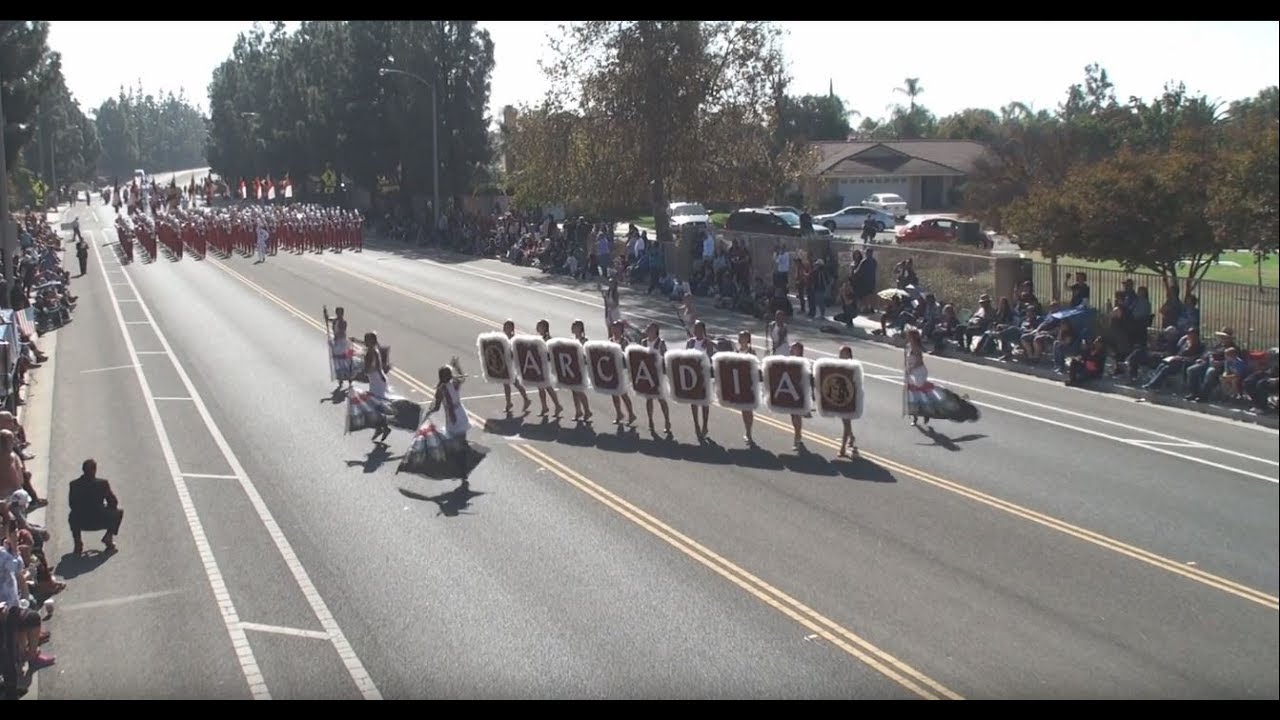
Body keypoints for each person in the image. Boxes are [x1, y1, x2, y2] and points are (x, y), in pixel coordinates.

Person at [903, 327, 980, 426]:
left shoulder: (916, 348)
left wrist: (911, 368)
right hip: (911, 372)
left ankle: (927, 411)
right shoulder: (909, 346)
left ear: (912, 337)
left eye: (908, 335)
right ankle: (916, 416)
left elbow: (919, 361)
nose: (906, 336)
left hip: (918, 372)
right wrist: (907, 368)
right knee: (913, 395)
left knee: (919, 393)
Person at [426, 359, 473, 481]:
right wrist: (457, 366)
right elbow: (462, 378)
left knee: (454, 444)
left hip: (452, 419)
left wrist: (429, 411)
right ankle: (463, 466)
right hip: (460, 414)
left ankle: (462, 467)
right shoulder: (455, 383)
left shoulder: (440, 390)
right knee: (461, 441)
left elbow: (436, 407)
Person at [67, 459, 123, 556]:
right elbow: (113, 502)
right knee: (118, 512)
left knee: (72, 515)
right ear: (94, 470)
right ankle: (108, 537)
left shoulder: (74, 484)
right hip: (99, 520)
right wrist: (104, 507)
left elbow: (72, 504)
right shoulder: (102, 484)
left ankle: (78, 543)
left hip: (80, 521)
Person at [685, 321, 716, 440]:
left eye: (699, 329)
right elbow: (685, 357)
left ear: (703, 330)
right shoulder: (690, 342)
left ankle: (705, 425)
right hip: (692, 376)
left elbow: (710, 358)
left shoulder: (707, 343)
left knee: (704, 402)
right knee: (694, 402)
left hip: (703, 375)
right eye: (695, 329)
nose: (697, 331)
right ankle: (696, 425)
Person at [363, 332, 393, 443]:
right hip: (375, 380)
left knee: (375, 405)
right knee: (374, 405)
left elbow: (376, 367)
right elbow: (377, 367)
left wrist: (368, 372)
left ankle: (384, 428)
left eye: (367, 340)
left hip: (377, 381)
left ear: (372, 341)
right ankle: (380, 428)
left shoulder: (373, 352)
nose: (365, 342)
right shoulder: (372, 351)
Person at [641, 323, 672, 434]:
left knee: (661, 399)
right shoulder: (644, 342)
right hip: (647, 375)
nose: (649, 331)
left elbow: (665, 358)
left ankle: (667, 421)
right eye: (648, 329)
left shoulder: (661, 343)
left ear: (656, 331)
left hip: (658, 375)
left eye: (651, 329)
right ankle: (650, 421)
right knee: (649, 399)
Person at [608, 320, 638, 426]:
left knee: (623, 393)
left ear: (621, 330)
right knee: (614, 394)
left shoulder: (624, 342)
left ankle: (631, 414)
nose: (614, 330)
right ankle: (619, 413)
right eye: (613, 328)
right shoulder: (610, 340)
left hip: (622, 371)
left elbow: (627, 357)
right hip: (612, 370)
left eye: (616, 328)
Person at [500, 320, 532, 415]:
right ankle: (509, 403)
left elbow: (518, 353)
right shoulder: (502, 338)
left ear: (512, 329)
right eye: (505, 327)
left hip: (512, 364)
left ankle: (525, 399)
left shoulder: (514, 339)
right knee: (507, 384)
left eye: (507, 327)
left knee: (515, 383)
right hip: (505, 364)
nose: (505, 329)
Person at [534, 320, 564, 417]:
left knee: (547, 386)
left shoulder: (548, 339)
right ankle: (544, 407)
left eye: (540, 326)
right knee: (540, 387)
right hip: (539, 365)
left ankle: (557, 405)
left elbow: (551, 353)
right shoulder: (538, 338)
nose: (538, 328)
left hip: (546, 365)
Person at [735, 330, 759, 446]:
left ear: (747, 339)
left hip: (749, 384)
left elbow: (755, 367)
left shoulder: (752, 352)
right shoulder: (736, 351)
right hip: (739, 384)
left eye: (742, 337)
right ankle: (747, 430)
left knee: (748, 409)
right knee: (744, 410)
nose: (740, 339)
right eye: (739, 337)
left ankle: (749, 432)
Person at [568, 320, 593, 422]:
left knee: (579, 390)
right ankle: (578, 411)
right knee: (574, 391)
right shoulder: (571, 340)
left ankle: (587, 410)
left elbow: (586, 355)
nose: (573, 328)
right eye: (572, 326)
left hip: (580, 367)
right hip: (572, 367)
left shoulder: (585, 341)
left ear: (580, 328)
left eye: (575, 326)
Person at [837, 345, 859, 458]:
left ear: (848, 355)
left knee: (846, 422)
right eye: (839, 354)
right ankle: (851, 437)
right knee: (845, 421)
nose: (840, 356)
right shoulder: (838, 366)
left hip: (849, 397)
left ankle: (842, 448)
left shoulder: (853, 367)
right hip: (840, 397)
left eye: (842, 354)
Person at [327, 307, 354, 393]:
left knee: (344, 360)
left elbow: (341, 332)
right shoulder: (335, 320)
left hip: (341, 342)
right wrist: (326, 315)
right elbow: (330, 319)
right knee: (337, 360)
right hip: (337, 342)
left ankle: (349, 377)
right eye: (337, 313)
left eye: (340, 313)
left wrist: (335, 339)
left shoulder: (343, 322)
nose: (339, 314)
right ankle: (341, 378)